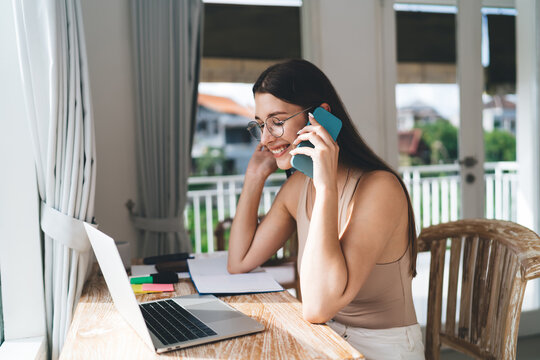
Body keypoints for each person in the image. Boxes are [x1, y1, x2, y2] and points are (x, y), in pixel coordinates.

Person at [227, 59, 424, 360]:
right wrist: (254, 176)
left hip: (382, 349)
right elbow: (239, 261)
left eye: (277, 121)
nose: (265, 138)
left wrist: (326, 186)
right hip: (328, 340)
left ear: (319, 117)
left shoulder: (379, 189)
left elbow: (317, 306)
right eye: (260, 125)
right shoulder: (297, 188)